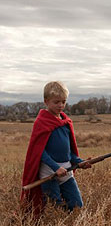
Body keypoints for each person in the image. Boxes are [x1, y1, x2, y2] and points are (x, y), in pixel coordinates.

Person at [21, 81, 91, 217]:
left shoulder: (66, 122)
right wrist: (55, 167)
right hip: (48, 172)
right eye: (56, 102)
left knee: (76, 205)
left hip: (66, 170)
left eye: (63, 102)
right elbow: (39, 151)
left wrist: (79, 161)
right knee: (54, 206)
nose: (61, 105)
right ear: (46, 101)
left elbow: (70, 151)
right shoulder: (42, 122)